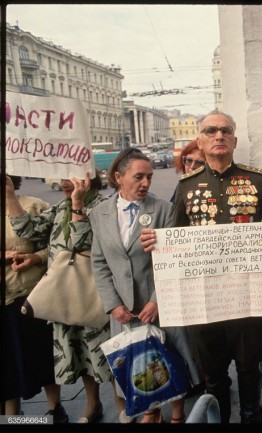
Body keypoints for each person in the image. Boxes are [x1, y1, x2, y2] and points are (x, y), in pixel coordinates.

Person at [141, 109, 262, 424]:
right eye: (210, 131)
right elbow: (175, 236)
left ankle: (251, 416)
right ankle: (218, 418)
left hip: (249, 297)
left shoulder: (256, 179)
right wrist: (156, 244)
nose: (219, 136)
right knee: (213, 371)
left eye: (225, 130)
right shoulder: (187, 186)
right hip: (205, 300)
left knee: (250, 365)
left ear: (233, 139)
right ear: (200, 142)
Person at [90, 147, 202, 424]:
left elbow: (173, 260)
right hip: (125, 309)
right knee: (140, 361)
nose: (145, 183)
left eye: (149, 177)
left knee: (172, 358)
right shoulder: (101, 213)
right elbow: (99, 262)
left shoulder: (163, 210)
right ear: (118, 177)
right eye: (138, 177)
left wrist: (156, 301)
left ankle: (177, 414)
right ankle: (151, 411)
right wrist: (113, 304)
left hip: (160, 303)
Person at [7, 172, 113, 424]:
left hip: (93, 296)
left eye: (71, 177)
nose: (65, 183)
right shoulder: (59, 208)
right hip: (65, 294)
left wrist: (77, 205)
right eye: (62, 178)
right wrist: (10, 195)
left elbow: (79, 241)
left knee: (104, 358)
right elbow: (27, 229)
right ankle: (92, 404)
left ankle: (123, 409)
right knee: (79, 354)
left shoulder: (103, 206)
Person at [1, 176, 59, 419]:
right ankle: (12, 418)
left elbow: (57, 245)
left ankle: (55, 410)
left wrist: (36, 258)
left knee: (44, 358)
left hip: (29, 297)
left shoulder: (34, 206)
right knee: (6, 365)